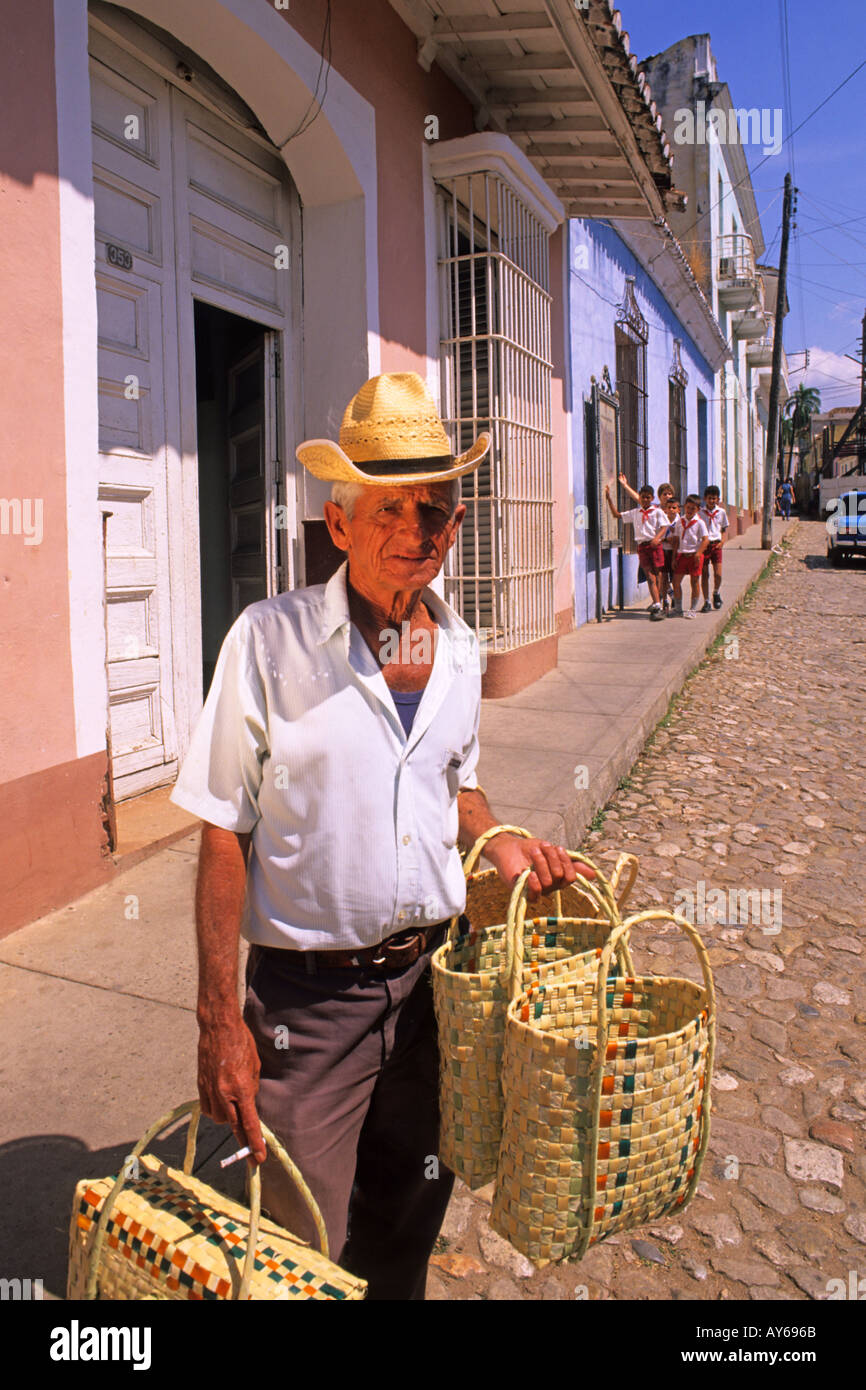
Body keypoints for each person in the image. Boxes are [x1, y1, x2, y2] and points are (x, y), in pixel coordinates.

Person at [170, 371, 590, 1301]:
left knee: (405, 1224)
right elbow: (222, 832)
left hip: (431, 992)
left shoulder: (461, 649)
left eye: (434, 512)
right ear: (340, 522)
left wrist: (500, 843)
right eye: (389, 509)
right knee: (294, 1249)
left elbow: (458, 793)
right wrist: (218, 1019)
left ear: (457, 521)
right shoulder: (266, 642)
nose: (415, 534)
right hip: (306, 1010)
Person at [605, 481, 669, 620]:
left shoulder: (657, 512)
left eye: (648, 497)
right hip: (642, 547)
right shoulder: (635, 512)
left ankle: (663, 602)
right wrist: (609, 499)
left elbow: (664, 527)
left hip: (654, 546)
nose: (645, 500)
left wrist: (657, 539)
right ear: (639, 498)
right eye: (642, 497)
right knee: (650, 577)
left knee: (659, 576)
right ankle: (657, 604)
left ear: (652, 498)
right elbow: (617, 515)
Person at [671, 493, 709, 618]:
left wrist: (699, 554)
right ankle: (678, 608)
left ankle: (693, 609)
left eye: (693, 508)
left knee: (694, 581)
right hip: (682, 555)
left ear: (698, 509)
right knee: (676, 582)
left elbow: (705, 540)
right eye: (688, 507)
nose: (690, 510)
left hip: (694, 556)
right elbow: (676, 540)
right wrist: (674, 557)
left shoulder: (700, 523)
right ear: (684, 507)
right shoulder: (680, 522)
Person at [699, 485, 729, 611]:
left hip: (716, 545)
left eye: (714, 499)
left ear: (718, 499)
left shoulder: (721, 512)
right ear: (705, 499)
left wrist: (722, 541)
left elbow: (724, 528)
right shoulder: (700, 512)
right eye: (710, 498)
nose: (712, 501)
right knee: (705, 574)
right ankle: (706, 601)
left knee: (718, 574)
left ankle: (716, 592)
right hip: (705, 545)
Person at [659, 495, 680, 612]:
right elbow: (658, 536)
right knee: (663, 577)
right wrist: (666, 540)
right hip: (663, 550)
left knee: (675, 579)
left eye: (674, 508)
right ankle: (665, 601)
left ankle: (676, 600)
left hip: (675, 552)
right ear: (665, 509)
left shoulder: (680, 522)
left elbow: (681, 538)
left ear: (678, 509)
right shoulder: (662, 520)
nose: (671, 510)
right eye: (669, 508)